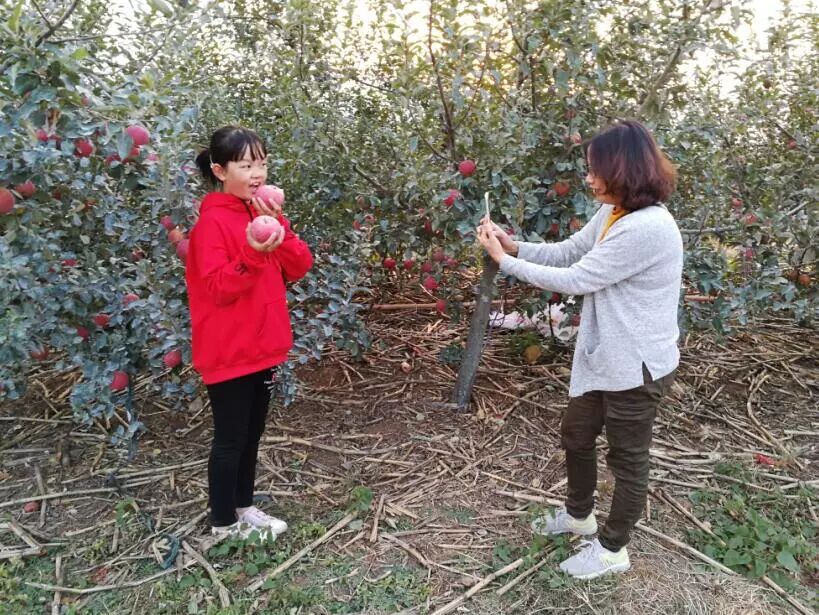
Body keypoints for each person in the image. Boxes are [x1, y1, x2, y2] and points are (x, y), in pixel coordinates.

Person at [477, 119, 682, 579]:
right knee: (576, 434)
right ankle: (578, 516)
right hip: (604, 355)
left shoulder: (647, 227)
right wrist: (516, 246)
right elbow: (571, 251)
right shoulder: (615, 211)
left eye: (594, 169)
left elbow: (577, 278)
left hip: (637, 364)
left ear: (621, 170)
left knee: (627, 459)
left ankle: (612, 549)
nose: (588, 178)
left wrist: (504, 262)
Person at [187, 126, 313, 540]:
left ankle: (243, 506)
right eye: (245, 165)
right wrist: (253, 252)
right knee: (230, 438)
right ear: (220, 171)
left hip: (263, 346)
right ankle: (223, 523)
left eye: (261, 164)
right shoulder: (211, 224)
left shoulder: (259, 214)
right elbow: (219, 288)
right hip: (229, 350)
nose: (257, 173)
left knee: (251, 433)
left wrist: (278, 227)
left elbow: (300, 266)